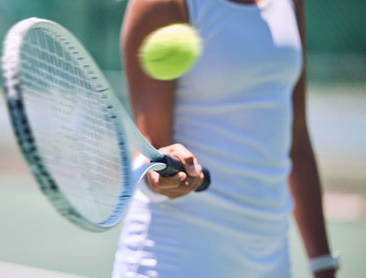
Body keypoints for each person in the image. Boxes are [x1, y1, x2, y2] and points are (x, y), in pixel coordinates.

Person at [112, 0, 338, 277]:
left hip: (271, 260)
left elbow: (297, 139)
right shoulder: (164, 4)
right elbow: (152, 147)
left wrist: (322, 259)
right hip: (174, 259)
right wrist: (162, 178)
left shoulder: (291, 4)